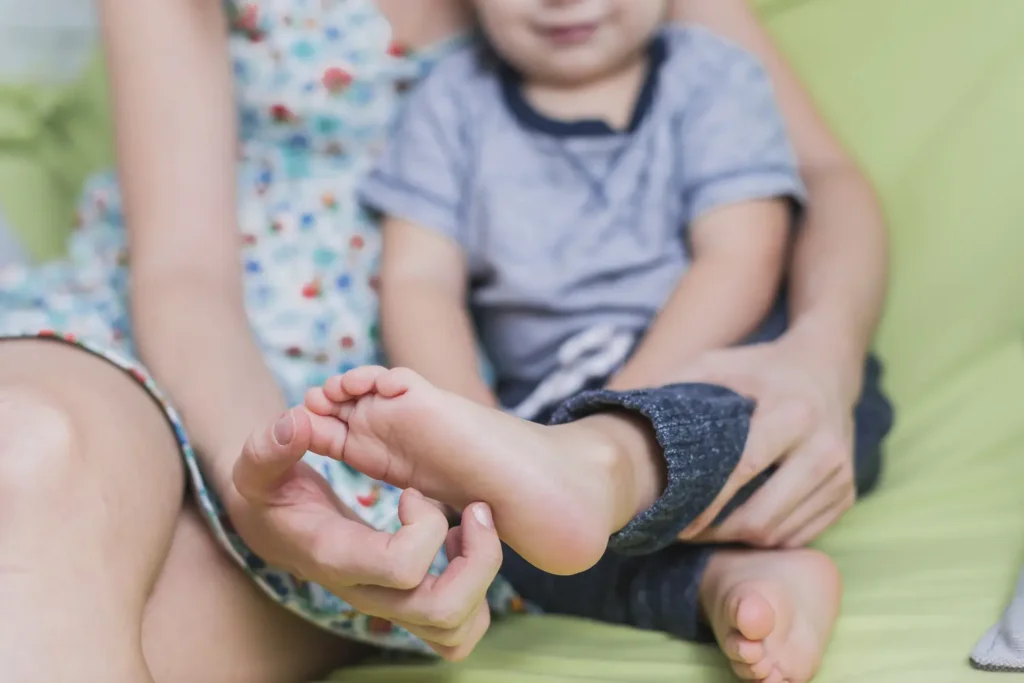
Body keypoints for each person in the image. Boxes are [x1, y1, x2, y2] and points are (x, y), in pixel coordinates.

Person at [0, 1, 890, 682]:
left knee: (115, 626)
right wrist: (263, 488)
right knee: (30, 451)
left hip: (421, 436)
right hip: (184, 340)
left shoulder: (642, 43)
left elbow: (819, 178)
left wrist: (824, 354)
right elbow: (183, 275)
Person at [303, 1, 891, 682]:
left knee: (721, 414)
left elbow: (741, 257)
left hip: (722, 362)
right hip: (552, 405)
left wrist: (615, 416)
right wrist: (475, 431)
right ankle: (724, 581)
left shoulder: (711, 76)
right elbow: (418, 279)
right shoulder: (449, 104)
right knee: (494, 537)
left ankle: (591, 472)